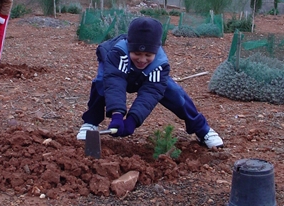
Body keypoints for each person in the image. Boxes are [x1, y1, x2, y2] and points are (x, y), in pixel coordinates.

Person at [76, 16, 223, 148]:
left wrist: (133, 120)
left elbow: (151, 92)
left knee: (175, 93)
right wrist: (117, 115)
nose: (142, 59)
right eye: (137, 53)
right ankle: (91, 123)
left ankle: (203, 130)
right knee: (102, 82)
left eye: (148, 55)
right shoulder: (117, 53)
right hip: (116, 71)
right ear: (129, 47)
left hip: (146, 76)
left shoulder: (160, 64)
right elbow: (115, 83)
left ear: (156, 51)